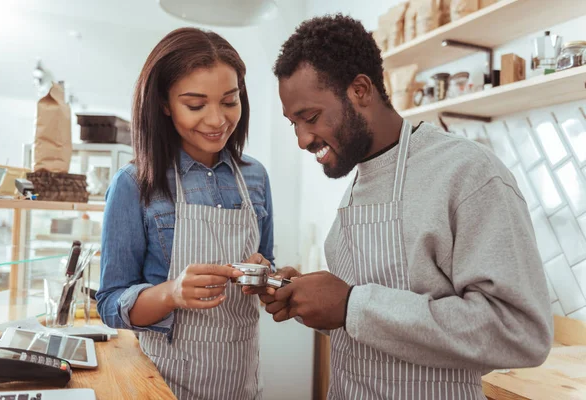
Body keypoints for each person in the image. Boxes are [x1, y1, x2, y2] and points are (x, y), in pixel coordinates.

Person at [258, 14, 552, 399]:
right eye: (292, 123)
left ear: (360, 89)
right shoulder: (359, 178)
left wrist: (351, 305)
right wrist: (314, 299)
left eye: (309, 117)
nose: (301, 140)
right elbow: (373, 322)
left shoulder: (467, 172)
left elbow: (521, 333)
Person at [96, 27, 274, 400]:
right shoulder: (133, 185)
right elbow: (110, 304)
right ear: (164, 103)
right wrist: (172, 293)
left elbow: (267, 262)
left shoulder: (255, 177)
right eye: (195, 105)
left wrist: (265, 275)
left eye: (230, 101)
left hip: (241, 381)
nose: (217, 120)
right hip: (163, 383)